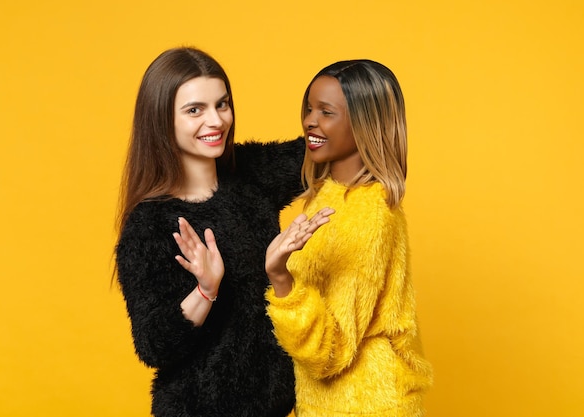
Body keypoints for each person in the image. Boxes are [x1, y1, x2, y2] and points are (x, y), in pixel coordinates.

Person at [114, 47, 308, 417]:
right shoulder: (149, 225)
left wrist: (361, 95)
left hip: (277, 406)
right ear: (161, 120)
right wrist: (206, 289)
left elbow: (324, 149)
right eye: (194, 110)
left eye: (222, 104)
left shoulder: (250, 174)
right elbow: (153, 346)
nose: (216, 121)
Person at [264, 60, 433, 417]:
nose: (310, 120)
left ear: (364, 125)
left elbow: (331, 352)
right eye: (309, 108)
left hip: (365, 405)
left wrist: (281, 279)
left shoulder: (369, 215)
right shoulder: (328, 195)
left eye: (326, 112)